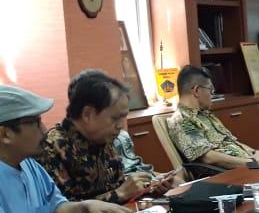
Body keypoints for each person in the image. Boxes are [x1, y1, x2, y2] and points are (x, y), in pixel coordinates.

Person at [0, 85, 134, 213]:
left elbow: (55, 208)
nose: (44, 129)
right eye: (35, 122)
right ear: (5, 134)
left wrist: (85, 207)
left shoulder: (30, 165)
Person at [40, 69, 178, 204]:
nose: (121, 126)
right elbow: (60, 210)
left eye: (123, 117)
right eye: (115, 118)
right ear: (87, 114)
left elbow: (119, 189)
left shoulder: (102, 138)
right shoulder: (52, 148)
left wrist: (150, 188)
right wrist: (119, 194)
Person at [166, 66, 259, 170]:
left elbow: (231, 141)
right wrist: (250, 163)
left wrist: (255, 153)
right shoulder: (182, 120)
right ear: (197, 90)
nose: (212, 96)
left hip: (249, 166)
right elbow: (207, 157)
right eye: (211, 90)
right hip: (232, 173)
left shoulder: (205, 115)